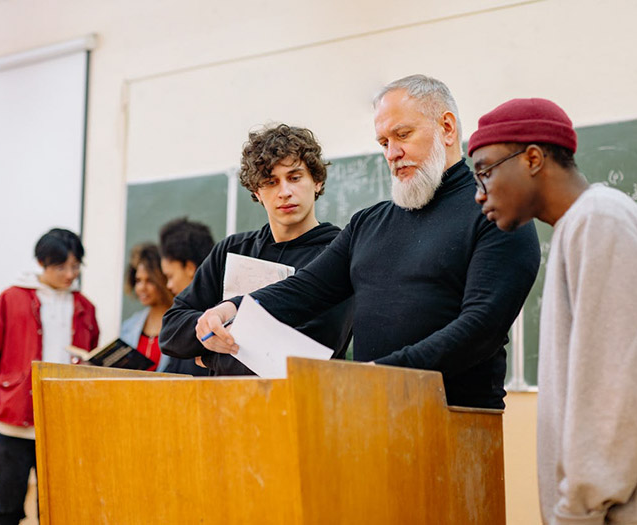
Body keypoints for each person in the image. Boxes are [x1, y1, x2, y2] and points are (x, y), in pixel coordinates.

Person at [194, 74, 540, 409]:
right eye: (384, 143)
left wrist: (381, 375)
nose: (392, 153)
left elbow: (479, 329)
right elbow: (305, 290)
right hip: (370, 413)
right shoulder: (369, 223)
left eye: (402, 135)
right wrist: (234, 308)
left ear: (447, 128)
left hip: (454, 420)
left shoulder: (497, 213)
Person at [468, 98, 637, 524]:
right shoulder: (576, 227)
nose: (478, 193)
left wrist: (578, 510)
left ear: (532, 158)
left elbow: (613, 394)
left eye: (485, 171)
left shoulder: (599, 221)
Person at [159, 124, 354, 375]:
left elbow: (309, 350)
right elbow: (172, 330)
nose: (284, 192)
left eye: (294, 178)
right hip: (225, 407)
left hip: (299, 405)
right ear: (256, 192)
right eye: (270, 182)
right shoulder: (232, 250)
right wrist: (223, 337)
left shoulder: (339, 254)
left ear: (316, 181)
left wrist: (209, 358)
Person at [0, 228, 99, 525]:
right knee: (6, 509)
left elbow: (91, 359)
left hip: (62, 425)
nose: (69, 274)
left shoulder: (84, 307)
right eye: (61, 266)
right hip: (11, 426)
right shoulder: (10, 300)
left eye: (76, 266)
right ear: (42, 263)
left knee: (57, 510)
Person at [157, 217, 215, 376]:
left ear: (189, 268)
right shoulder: (181, 321)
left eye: (170, 276)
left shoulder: (214, 317)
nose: (168, 286)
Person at [120, 243, 175, 372]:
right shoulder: (129, 326)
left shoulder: (180, 324)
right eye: (138, 280)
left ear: (163, 279)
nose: (141, 288)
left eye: (149, 280)